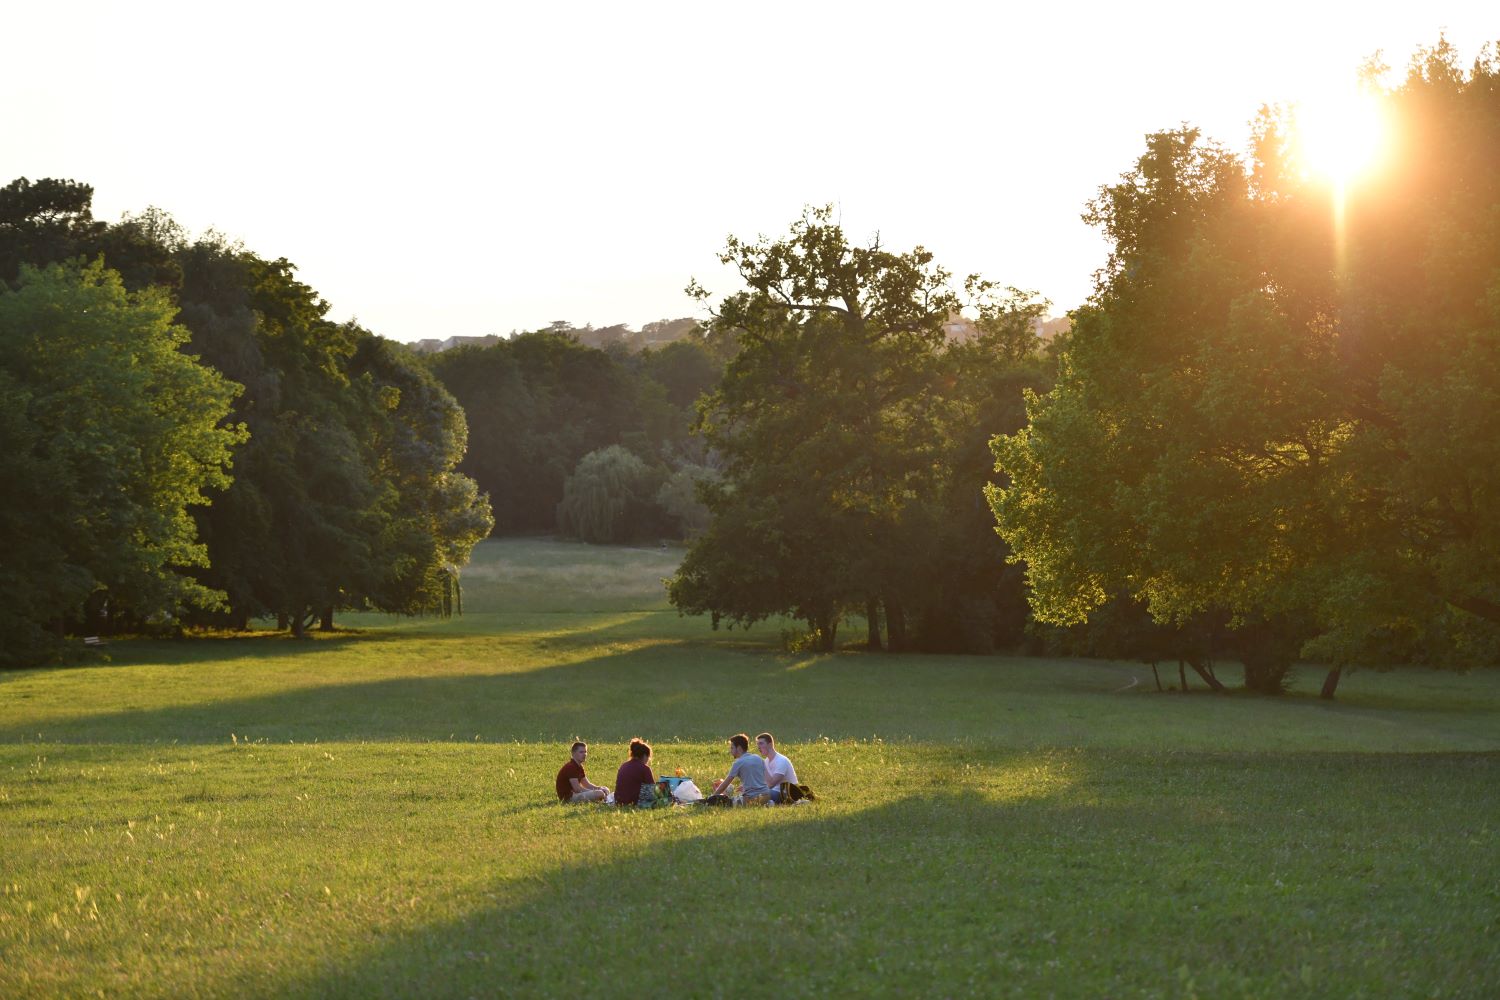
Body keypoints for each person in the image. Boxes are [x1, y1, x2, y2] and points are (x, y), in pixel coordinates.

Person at [709, 733, 772, 805]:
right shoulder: (758, 758)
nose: (730, 751)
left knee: (726, 803)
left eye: (732, 748)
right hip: (767, 795)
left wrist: (713, 797)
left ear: (739, 748)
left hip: (752, 798)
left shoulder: (738, 762)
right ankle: (767, 803)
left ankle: (759, 804)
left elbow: (726, 783)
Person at [756, 732, 799, 804]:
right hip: (773, 792)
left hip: (786, 793)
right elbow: (763, 782)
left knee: (757, 794)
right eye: (757, 744)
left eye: (761, 743)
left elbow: (772, 784)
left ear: (770, 744)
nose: (758, 747)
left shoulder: (781, 760)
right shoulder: (766, 761)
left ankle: (769, 803)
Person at [614, 737, 656, 807]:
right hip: (635, 803)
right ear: (645, 756)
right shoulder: (644, 768)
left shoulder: (623, 765)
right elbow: (653, 790)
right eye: (648, 757)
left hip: (618, 801)